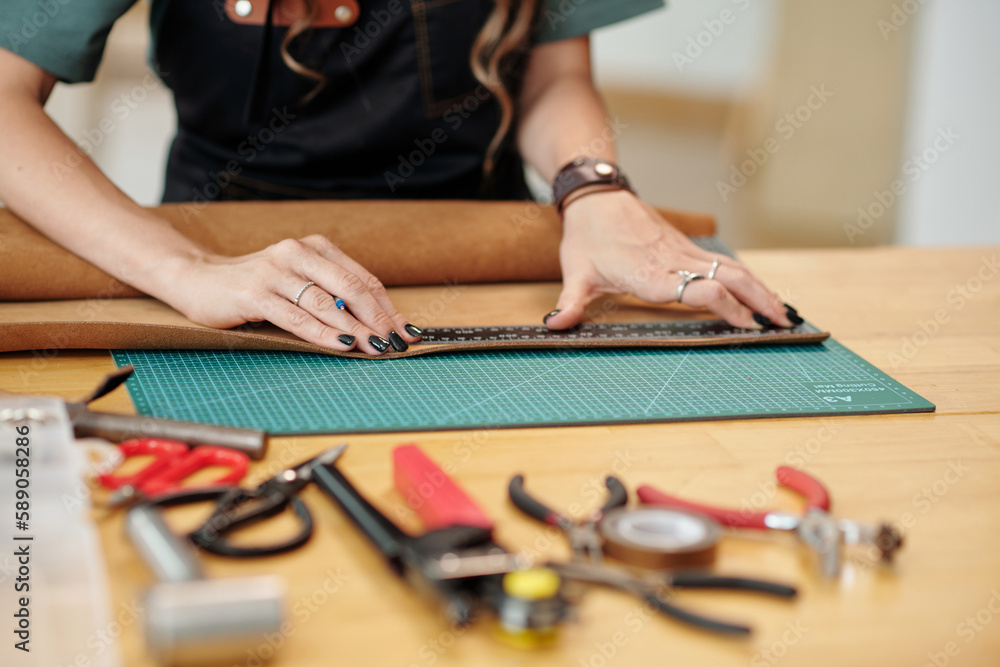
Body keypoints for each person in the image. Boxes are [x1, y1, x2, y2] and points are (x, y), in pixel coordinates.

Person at [0, 0, 800, 355]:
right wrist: (187, 269)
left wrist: (593, 190)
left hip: (476, 245)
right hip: (227, 264)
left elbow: (554, 79)